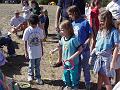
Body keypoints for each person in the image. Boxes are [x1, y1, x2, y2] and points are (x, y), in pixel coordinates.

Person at [90, 10, 119, 90]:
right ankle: (98, 88)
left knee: (106, 79)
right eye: (100, 21)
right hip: (99, 57)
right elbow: (97, 43)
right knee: (100, 75)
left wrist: (113, 62)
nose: (100, 23)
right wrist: (93, 53)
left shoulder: (114, 32)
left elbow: (117, 47)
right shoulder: (101, 30)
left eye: (102, 21)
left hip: (106, 59)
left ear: (107, 20)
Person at [51, 20, 83, 90]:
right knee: (66, 74)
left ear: (68, 29)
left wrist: (72, 57)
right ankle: (68, 85)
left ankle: (75, 86)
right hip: (65, 61)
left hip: (73, 62)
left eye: (62, 30)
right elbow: (60, 46)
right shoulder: (62, 39)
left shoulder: (74, 39)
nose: (60, 32)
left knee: (73, 75)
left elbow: (80, 49)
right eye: (60, 30)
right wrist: (54, 50)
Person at [67, 5, 92, 90]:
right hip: (75, 51)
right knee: (76, 68)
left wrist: (85, 44)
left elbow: (90, 35)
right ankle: (76, 83)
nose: (69, 16)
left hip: (85, 51)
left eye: (70, 14)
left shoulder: (85, 22)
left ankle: (87, 83)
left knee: (85, 68)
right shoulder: (72, 24)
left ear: (75, 13)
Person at [54, 0, 86, 67]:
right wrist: (56, 22)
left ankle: (72, 58)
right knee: (61, 40)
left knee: (73, 40)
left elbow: (83, 14)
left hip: (76, 22)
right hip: (64, 20)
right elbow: (58, 9)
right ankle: (60, 59)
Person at [22, 14, 44, 84]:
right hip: (31, 52)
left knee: (37, 65)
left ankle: (38, 77)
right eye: (32, 24)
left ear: (37, 23)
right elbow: (25, 41)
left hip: (38, 51)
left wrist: (42, 50)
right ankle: (30, 75)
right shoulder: (27, 30)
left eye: (35, 24)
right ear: (29, 23)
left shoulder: (40, 30)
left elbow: (41, 40)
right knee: (31, 65)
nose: (33, 26)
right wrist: (26, 52)